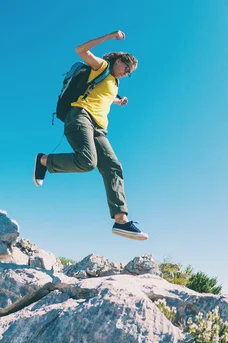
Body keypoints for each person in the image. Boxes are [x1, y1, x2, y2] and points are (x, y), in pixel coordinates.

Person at [33, 30, 148, 241]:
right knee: (87, 161)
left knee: (113, 165)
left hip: (99, 128)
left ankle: (121, 220)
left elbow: (101, 96)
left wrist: (118, 101)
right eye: (126, 67)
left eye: (130, 72)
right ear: (119, 59)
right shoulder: (101, 67)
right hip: (80, 117)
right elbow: (80, 50)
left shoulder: (114, 84)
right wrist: (111, 36)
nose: (126, 72)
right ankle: (44, 161)